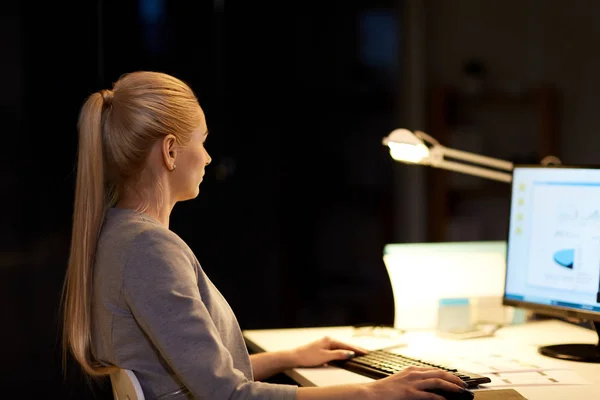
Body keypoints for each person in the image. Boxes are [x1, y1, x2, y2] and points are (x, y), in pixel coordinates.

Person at [61, 71, 470, 399]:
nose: (205, 157)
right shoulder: (149, 250)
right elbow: (227, 394)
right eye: (201, 142)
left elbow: (194, 374)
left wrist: (289, 357)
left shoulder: (117, 235)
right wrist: (373, 392)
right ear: (169, 151)